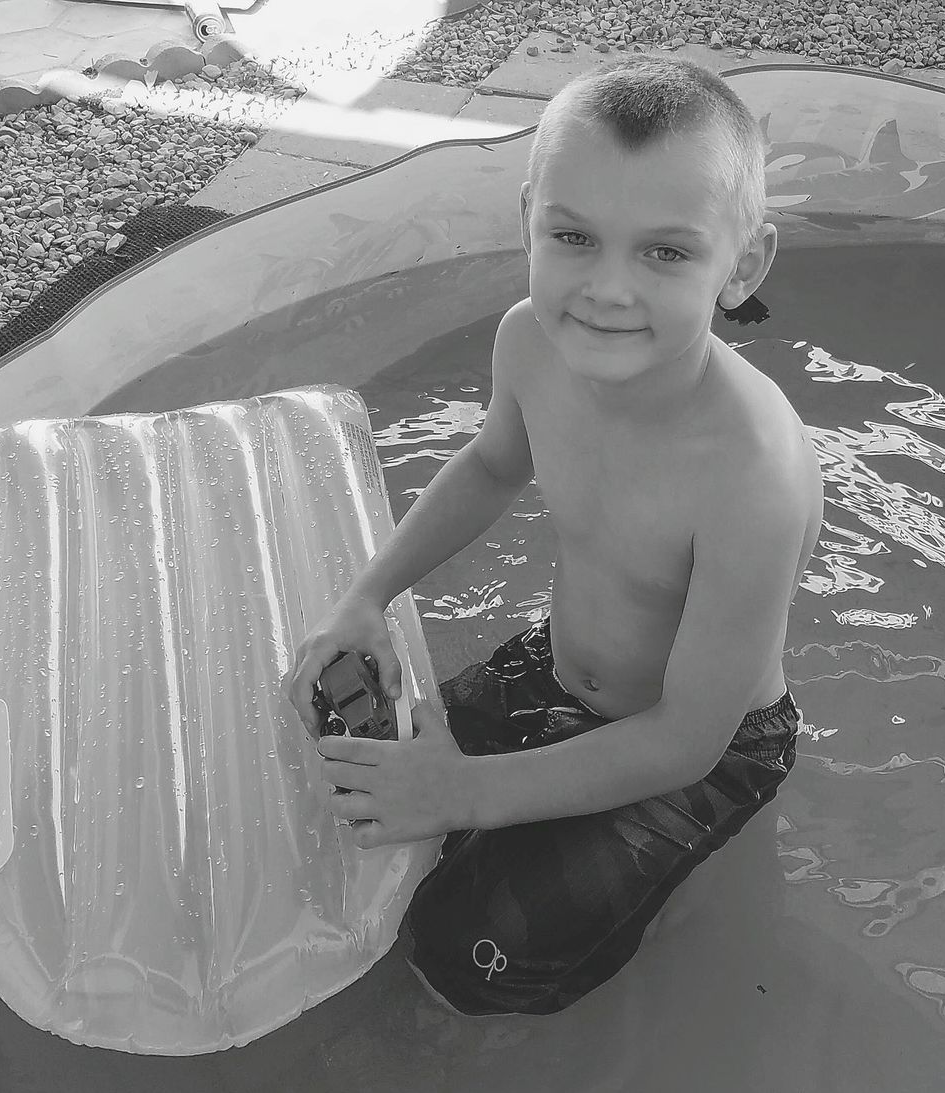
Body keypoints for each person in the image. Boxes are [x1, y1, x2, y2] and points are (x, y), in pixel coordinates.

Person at [285, 54, 824, 1016]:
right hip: (557, 665)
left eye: (666, 253)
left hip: (707, 745)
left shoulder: (754, 474)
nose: (606, 290)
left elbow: (684, 741)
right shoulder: (528, 343)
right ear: (527, 218)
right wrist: (366, 595)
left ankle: (673, 895)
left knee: (464, 963)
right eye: (573, 236)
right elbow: (492, 468)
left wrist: (464, 795)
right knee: (356, 802)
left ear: (743, 266)